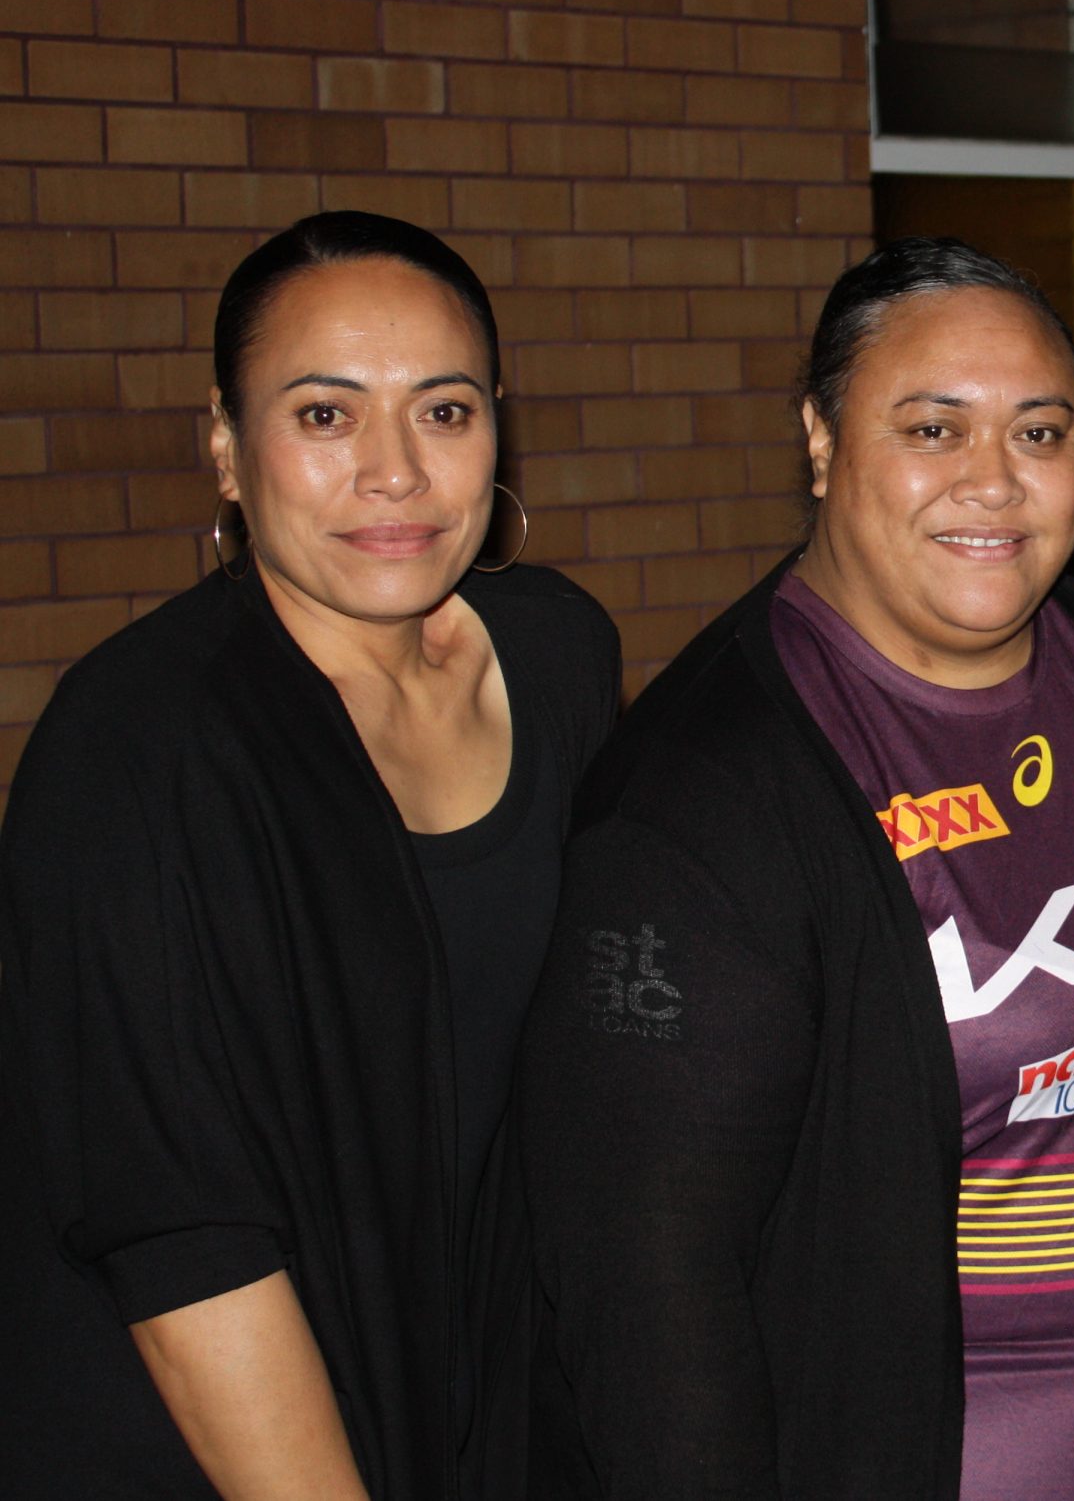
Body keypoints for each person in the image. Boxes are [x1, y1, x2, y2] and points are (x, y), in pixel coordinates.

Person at [519, 236, 1074, 1500]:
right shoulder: (706, 797)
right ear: (820, 441)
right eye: (933, 430)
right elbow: (648, 1292)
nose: (996, 481)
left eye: (1040, 433)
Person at [0, 212, 622, 1499]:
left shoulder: (561, 657)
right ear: (227, 449)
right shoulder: (137, 748)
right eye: (326, 416)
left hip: (497, 1424)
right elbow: (181, 1240)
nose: (395, 472)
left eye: (443, 412)